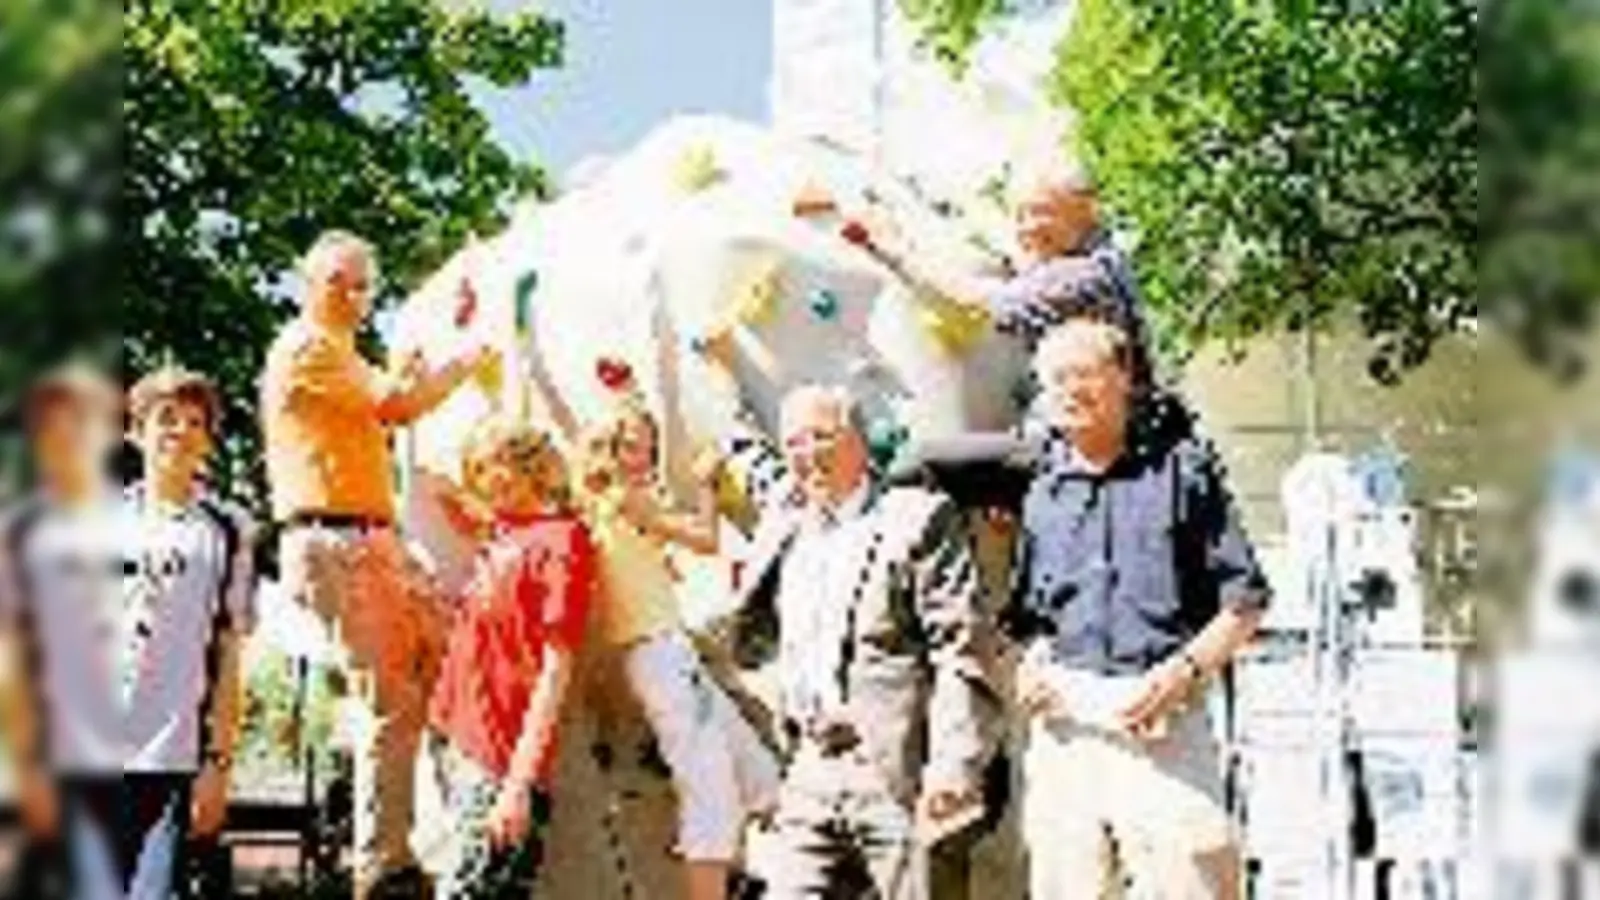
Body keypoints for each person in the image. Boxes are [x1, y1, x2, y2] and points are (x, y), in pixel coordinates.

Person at [260, 229, 494, 898]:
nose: (355, 294)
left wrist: (413, 380)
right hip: (343, 543)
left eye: (363, 283)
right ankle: (384, 868)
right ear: (309, 281)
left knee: (438, 661)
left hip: (365, 540)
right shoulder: (308, 346)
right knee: (391, 702)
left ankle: (419, 842)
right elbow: (397, 404)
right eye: (341, 280)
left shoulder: (339, 353)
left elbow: (387, 399)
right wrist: (468, 363)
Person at [1005, 317, 1270, 898]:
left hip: (1162, 724)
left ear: (1124, 377)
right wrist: (1029, 666)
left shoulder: (1184, 470)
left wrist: (1185, 672)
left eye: (1084, 374)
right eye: (1056, 379)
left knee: (1192, 884)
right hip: (1066, 733)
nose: (1070, 391)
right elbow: (1030, 621)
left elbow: (1245, 603)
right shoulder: (1043, 489)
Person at [714, 382, 1001, 900]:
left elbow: (960, 647)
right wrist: (715, 379)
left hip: (895, 770)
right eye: (794, 443)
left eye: (822, 438)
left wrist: (955, 764)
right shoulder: (786, 520)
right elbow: (745, 452)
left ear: (860, 443)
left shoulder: (915, 517)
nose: (807, 455)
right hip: (808, 765)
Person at [0, 363, 257, 899]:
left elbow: (231, 653)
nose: (180, 431)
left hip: (171, 760)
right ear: (134, 432)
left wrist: (219, 765)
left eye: (195, 422)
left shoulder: (230, 529)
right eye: (166, 418)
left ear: (209, 439)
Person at [574, 360, 781, 900]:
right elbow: (706, 540)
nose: (644, 458)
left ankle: (739, 874)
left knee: (755, 770)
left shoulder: (610, 504)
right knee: (708, 784)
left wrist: (633, 390)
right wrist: (709, 482)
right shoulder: (624, 499)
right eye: (633, 447)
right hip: (657, 654)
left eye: (648, 447)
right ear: (611, 451)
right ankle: (712, 881)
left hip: (667, 650)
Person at [420, 415, 596, 898]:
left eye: (492, 466)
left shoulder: (562, 542)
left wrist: (517, 783)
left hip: (499, 763)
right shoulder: (503, 532)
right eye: (476, 470)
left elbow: (556, 668)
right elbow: (463, 507)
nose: (483, 480)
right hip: (458, 744)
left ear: (529, 465)